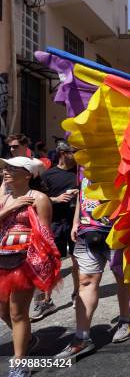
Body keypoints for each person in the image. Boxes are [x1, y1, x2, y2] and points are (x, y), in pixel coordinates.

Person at [55, 168, 130, 360]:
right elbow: (83, 192)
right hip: (87, 230)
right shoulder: (83, 161)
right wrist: (75, 223)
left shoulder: (117, 151)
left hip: (116, 230)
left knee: (122, 278)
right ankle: (82, 337)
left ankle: (124, 320)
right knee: (86, 281)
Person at [0, 157, 60, 377]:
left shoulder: (39, 198)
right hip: (1, 260)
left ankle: (20, 363)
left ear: (27, 174)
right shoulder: (5, 196)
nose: (6, 171)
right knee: (3, 312)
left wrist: (44, 265)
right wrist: (12, 207)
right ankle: (28, 339)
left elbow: (45, 235)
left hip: (24, 262)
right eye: (6, 168)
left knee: (17, 313)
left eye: (12, 168)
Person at [32, 141, 79, 321]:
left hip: (75, 223)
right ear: (62, 153)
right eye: (73, 151)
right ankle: (45, 301)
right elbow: (37, 199)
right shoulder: (49, 175)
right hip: (55, 223)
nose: (76, 155)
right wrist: (56, 199)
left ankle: (77, 294)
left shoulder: (80, 173)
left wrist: (79, 194)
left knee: (77, 261)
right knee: (49, 263)